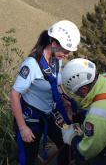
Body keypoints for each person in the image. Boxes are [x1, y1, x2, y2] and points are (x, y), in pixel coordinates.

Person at [10, 20, 80, 165]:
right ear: (54, 44)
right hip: (31, 118)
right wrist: (23, 128)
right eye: (66, 51)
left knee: (67, 145)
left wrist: (66, 103)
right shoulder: (31, 65)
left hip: (50, 113)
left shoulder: (56, 59)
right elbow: (14, 94)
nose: (67, 54)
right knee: (28, 158)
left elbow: (56, 84)